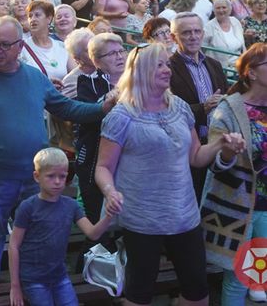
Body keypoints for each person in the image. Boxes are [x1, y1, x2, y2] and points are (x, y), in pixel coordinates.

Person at [0, 16, 115, 287]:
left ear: (19, 46)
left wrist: (100, 109)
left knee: (37, 246)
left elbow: (65, 108)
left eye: (3, 45)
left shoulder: (34, 77)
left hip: (32, 180)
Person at [95, 41, 244, 306]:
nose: (167, 69)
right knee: (139, 295)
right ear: (140, 70)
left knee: (198, 292)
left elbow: (196, 157)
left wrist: (221, 144)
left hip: (184, 215)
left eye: (167, 63)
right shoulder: (122, 115)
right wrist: (110, 190)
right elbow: (103, 167)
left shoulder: (180, 108)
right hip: (142, 219)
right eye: (159, 65)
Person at [200, 43, 267, 305]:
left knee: (258, 273)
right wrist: (227, 152)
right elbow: (214, 163)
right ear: (251, 73)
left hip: (265, 207)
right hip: (237, 206)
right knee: (238, 277)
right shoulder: (229, 108)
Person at [8, 147, 114, 306]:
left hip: (59, 276)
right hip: (33, 278)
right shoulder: (28, 207)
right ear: (37, 177)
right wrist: (15, 286)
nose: (57, 181)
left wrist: (109, 215)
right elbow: (14, 245)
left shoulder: (71, 205)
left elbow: (93, 234)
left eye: (62, 176)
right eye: (51, 176)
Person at [169, 12, 229, 201]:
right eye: (186, 32)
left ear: (203, 33)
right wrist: (202, 108)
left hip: (216, 144)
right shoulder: (166, 68)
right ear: (173, 37)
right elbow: (166, 109)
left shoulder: (215, 65)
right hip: (185, 148)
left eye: (197, 31)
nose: (193, 36)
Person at [76, 33, 125, 227]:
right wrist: (110, 98)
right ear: (96, 60)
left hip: (129, 163)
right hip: (95, 161)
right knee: (98, 223)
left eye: (121, 51)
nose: (120, 56)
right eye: (112, 53)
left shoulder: (137, 81)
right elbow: (88, 115)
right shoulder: (87, 83)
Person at [21, 1, 74, 81]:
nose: (33, 19)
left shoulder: (62, 47)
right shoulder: (21, 48)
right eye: (30, 16)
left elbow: (75, 76)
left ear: (49, 18)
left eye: (37, 15)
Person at [204, 0, 245, 69]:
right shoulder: (209, 27)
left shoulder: (235, 21)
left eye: (224, 7)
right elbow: (202, 49)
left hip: (238, 68)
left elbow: (243, 46)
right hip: (219, 69)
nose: (221, 10)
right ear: (214, 10)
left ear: (230, 9)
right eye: (218, 8)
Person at [62, 29, 96, 99]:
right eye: (88, 50)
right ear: (77, 58)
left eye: (95, 47)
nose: (95, 52)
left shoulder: (108, 69)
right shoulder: (71, 81)